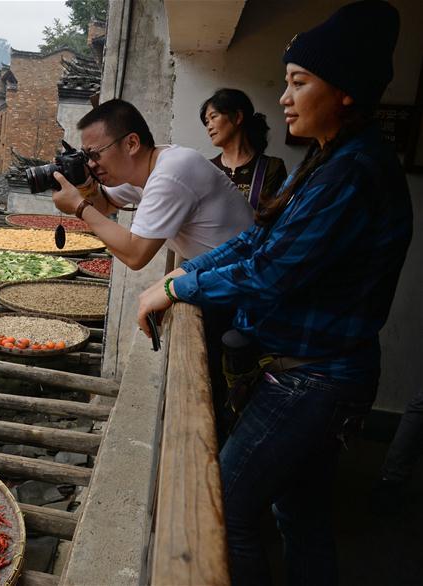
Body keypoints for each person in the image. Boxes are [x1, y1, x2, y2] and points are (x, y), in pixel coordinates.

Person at [136, 2, 411, 584]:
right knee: (300, 513)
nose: (284, 97)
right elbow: (257, 239)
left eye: (298, 82)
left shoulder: (355, 172)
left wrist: (181, 284)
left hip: (315, 379)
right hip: (310, 370)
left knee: (227, 511)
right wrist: (177, 279)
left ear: (344, 92)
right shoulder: (328, 158)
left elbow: (271, 273)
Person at [51, 99, 254, 270]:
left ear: (131, 144)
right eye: (86, 156)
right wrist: (85, 183)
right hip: (228, 271)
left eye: (95, 155)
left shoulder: (172, 172)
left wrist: (79, 206)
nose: (92, 164)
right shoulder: (142, 167)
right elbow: (104, 205)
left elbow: (135, 255)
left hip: (250, 278)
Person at [201, 88, 288, 209]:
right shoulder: (206, 168)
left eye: (213, 117)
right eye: (206, 121)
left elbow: (274, 217)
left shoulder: (271, 167)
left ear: (238, 117)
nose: (209, 127)